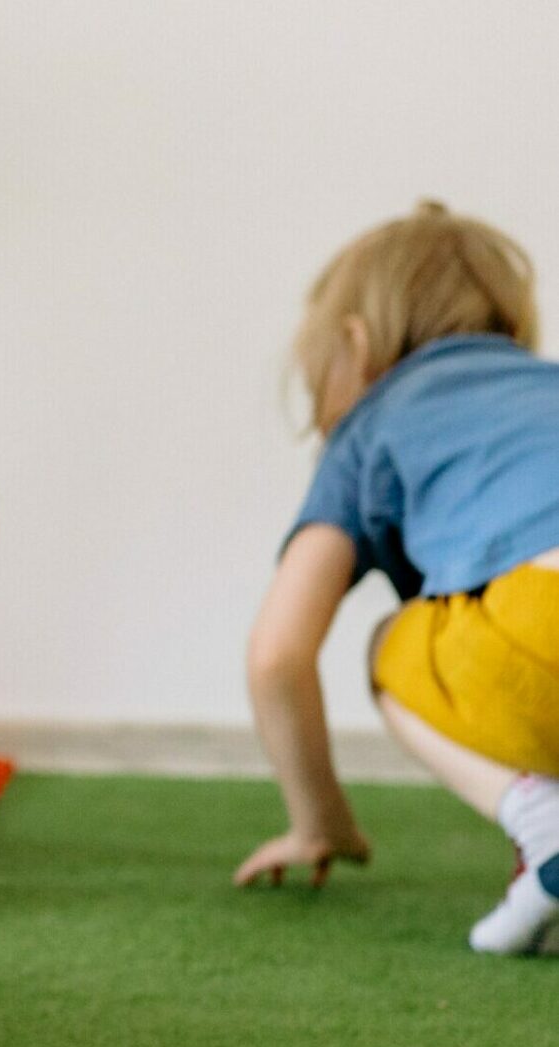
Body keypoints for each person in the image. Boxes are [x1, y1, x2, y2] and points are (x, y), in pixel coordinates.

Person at [236, 200, 559, 955]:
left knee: (394, 644)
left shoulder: (372, 423)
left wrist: (319, 822)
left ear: (354, 344)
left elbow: (277, 655)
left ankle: (542, 827)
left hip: (537, 621)